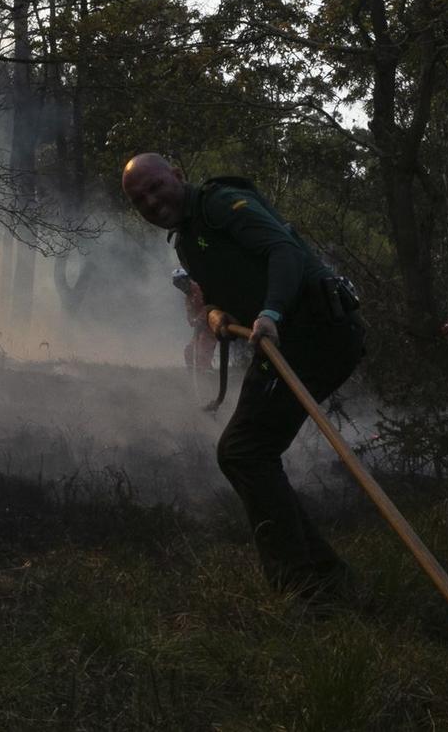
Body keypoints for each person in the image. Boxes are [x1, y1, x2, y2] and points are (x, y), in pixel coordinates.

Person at [122, 151, 367, 602]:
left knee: (245, 451)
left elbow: (283, 251)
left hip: (320, 332)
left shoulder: (221, 203)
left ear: (178, 175)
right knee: (243, 452)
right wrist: (215, 313)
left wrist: (270, 311)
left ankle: (308, 585)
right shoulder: (187, 239)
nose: (152, 202)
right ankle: (320, 578)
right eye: (140, 200)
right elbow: (220, 295)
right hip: (286, 341)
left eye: (156, 187)